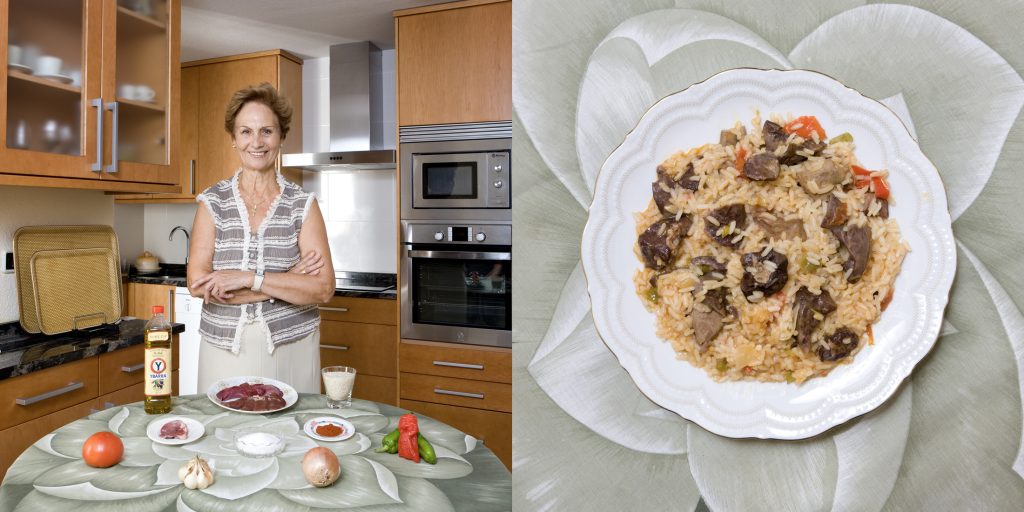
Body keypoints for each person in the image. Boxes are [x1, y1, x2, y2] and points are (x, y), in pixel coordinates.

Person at [187, 82, 335, 394]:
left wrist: (246, 278)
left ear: (281, 136)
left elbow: (322, 288)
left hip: (292, 348)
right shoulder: (212, 203)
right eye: (246, 131)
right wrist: (286, 282)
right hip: (224, 352)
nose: (257, 142)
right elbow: (198, 284)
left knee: (292, 436)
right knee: (224, 435)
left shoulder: (302, 205)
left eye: (267, 131)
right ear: (234, 138)